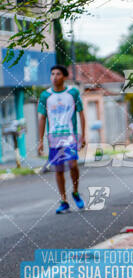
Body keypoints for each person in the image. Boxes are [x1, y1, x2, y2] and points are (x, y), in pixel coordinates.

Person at [37, 64, 86, 214]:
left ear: (64, 77)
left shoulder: (73, 93)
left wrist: (83, 135)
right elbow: (42, 118)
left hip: (70, 136)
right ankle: (64, 200)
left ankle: (75, 192)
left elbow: (81, 114)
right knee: (58, 169)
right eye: (52, 74)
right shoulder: (45, 96)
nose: (55, 77)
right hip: (54, 138)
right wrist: (40, 140)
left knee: (72, 165)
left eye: (58, 74)